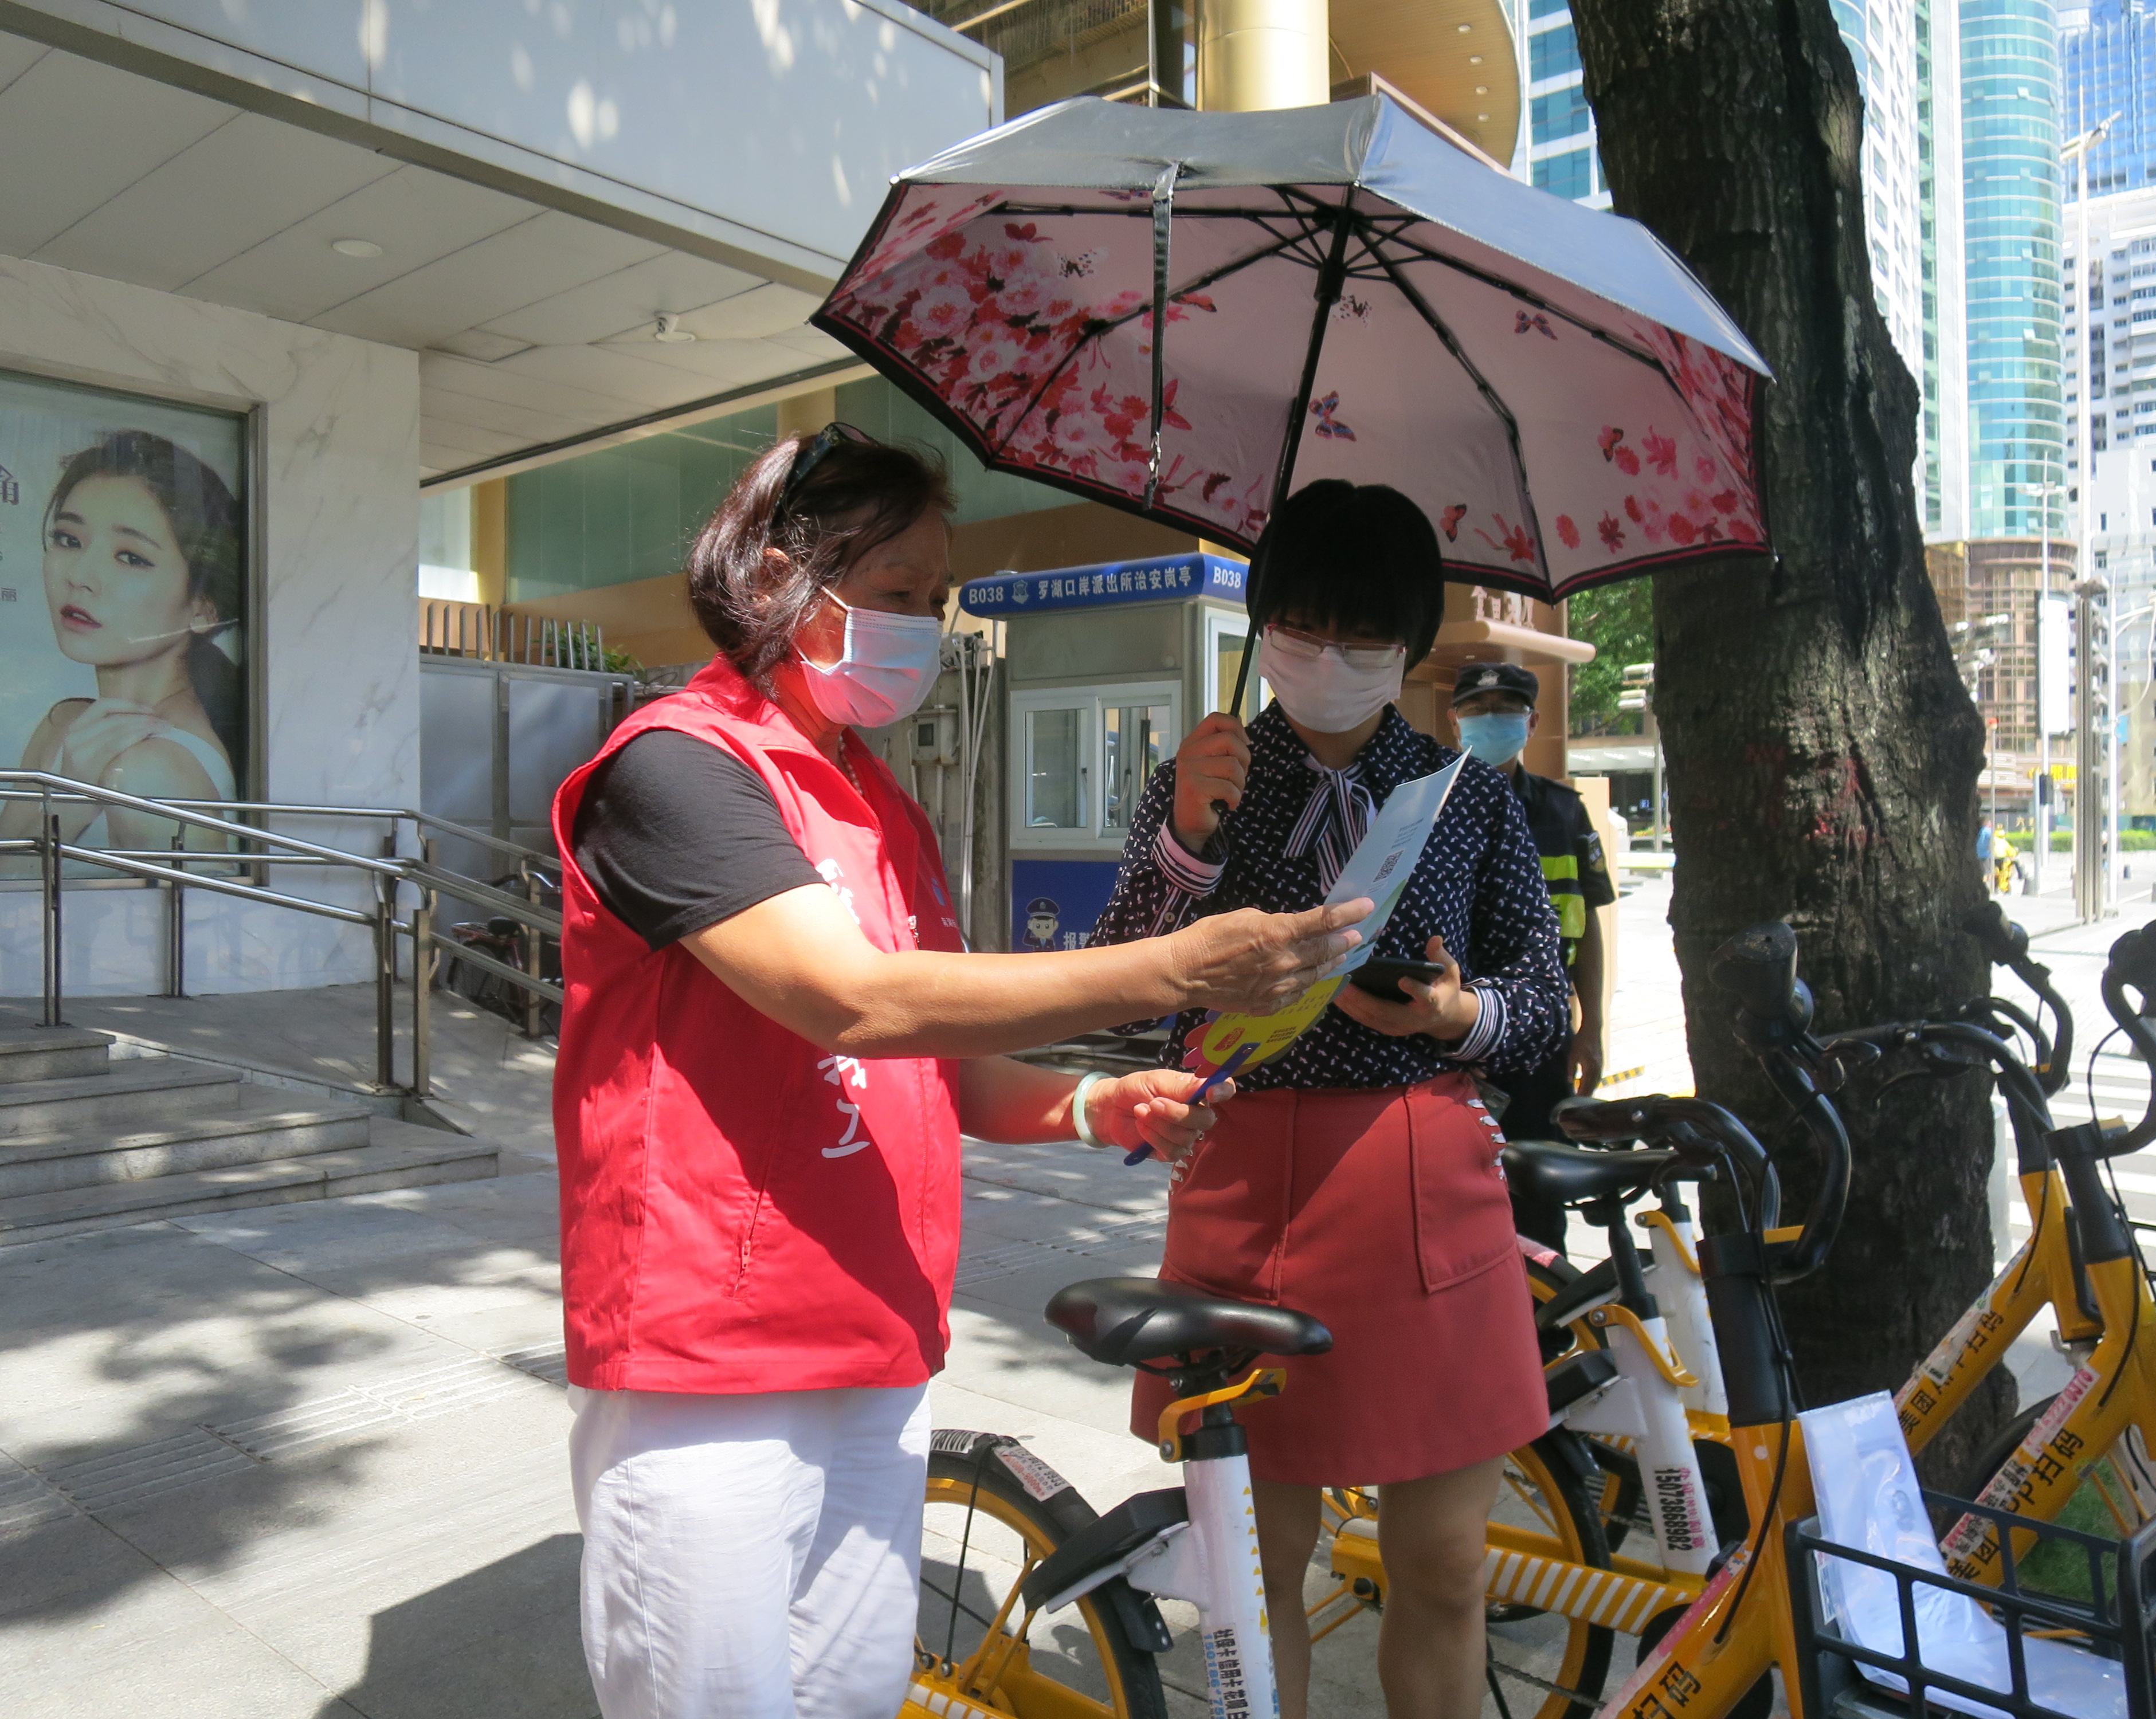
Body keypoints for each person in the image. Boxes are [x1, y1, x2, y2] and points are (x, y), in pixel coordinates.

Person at [550, 425, 1370, 1719]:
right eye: (897, 592)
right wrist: (1173, 968)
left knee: (854, 1693)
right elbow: (849, 998)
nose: (925, 626)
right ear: (779, 577)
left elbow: (942, 1059)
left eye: (938, 598)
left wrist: (1091, 1101)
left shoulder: (884, 806)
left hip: (877, 1336)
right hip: (713, 1357)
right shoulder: (678, 766)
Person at [1091, 478, 1572, 1719]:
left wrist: (1457, 1015)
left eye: (1363, 635)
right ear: (1262, 626)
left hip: (1424, 1180)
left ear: (1410, 646)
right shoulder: (1203, 779)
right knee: (1256, 1569)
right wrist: (1185, 838)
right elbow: (1115, 995)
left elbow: (1545, 1001)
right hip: (1242, 1179)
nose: (1328, 658)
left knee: (1447, 1563)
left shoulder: (1468, 795)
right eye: (1300, 627)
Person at [1, 431, 242, 871]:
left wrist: (70, 805)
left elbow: (194, 915)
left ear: (203, 608)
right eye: (69, 539)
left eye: (131, 557)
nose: (80, 575)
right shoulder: (68, 725)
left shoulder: (152, 769)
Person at [1444, 662, 1618, 1253]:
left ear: (1532, 721)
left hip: (1541, 1041)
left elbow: (1585, 926)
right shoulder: (1428, 806)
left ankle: (1545, 1312)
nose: (1490, 719)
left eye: (1505, 708)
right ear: (1455, 721)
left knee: (1541, 1208)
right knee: (1457, 1206)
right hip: (1452, 1041)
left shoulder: (1563, 812)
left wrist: (1591, 1027)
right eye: (1476, 709)